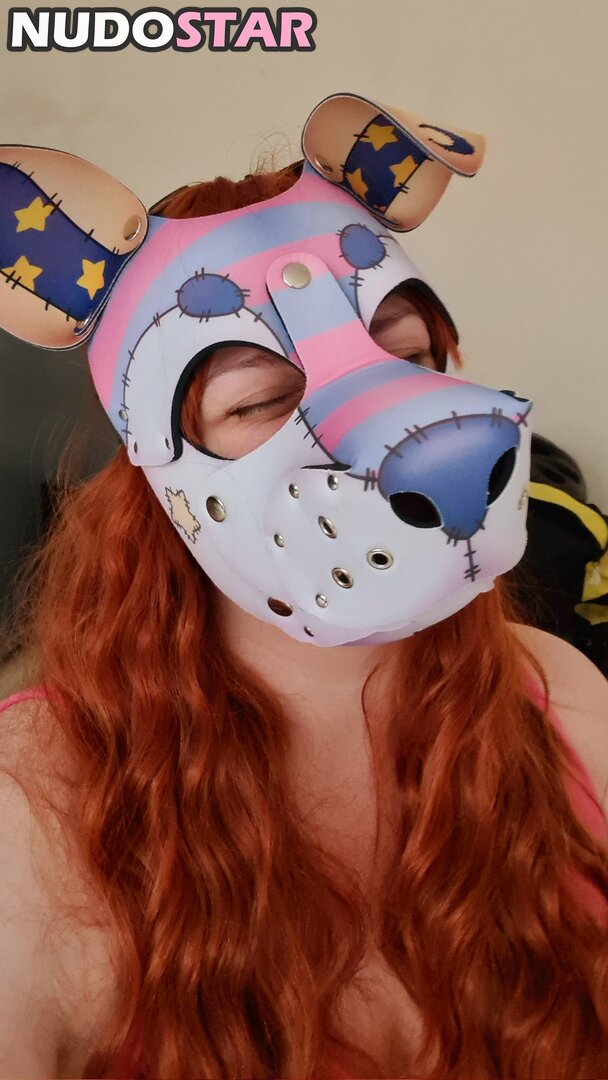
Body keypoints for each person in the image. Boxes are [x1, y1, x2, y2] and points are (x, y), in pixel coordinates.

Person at [0, 95, 607, 1080]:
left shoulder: (558, 697)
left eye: (409, 357)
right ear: (156, 475)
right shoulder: (37, 802)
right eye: (263, 400)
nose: (401, 426)